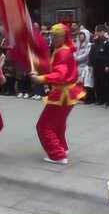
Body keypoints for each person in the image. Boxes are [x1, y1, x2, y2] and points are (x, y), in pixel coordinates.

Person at [31, 24, 85, 165]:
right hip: (65, 93)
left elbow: (59, 75)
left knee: (44, 126)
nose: (53, 38)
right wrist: (37, 64)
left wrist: (40, 79)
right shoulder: (61, 50)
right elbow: (52, 67)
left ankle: (57, 154)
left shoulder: (63, 52)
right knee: (58, 124)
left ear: (64, 37)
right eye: (52, 35)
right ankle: (62, 148)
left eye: (56, 36)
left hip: (62, 94)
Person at [90, 25, 109, 107]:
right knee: (98, 83)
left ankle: (108, 100)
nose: (96, 33)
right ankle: (100, 99)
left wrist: (108, 65)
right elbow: (92, 52)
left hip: (105, 65)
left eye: (98, 32)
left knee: (107, 84)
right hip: (97, 65)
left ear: (102, 32)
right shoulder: (96, 41)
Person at [75, 29, 93, 103]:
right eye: (80, 35)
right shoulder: (77, 45)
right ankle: (78, 96)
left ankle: (84, 97)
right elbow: (74, 52)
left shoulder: (89, 45)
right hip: (77, 66)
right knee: (77, 83)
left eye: (82, 35)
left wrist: (77, 58)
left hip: (85, 66)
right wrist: (74, 57)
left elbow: (86, 55)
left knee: (84, 83)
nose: (81, 37)